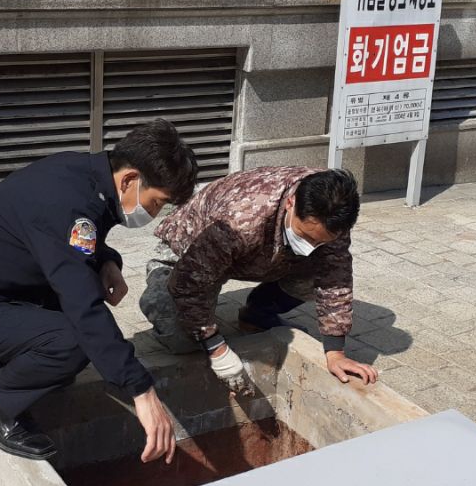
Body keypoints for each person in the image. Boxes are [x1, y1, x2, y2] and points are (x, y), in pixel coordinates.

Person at [0, 120, 198, 463]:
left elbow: (67, 242)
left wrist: (106, 260)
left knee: (79, 328)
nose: (155, 213)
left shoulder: (86, 177)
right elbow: (84, 307)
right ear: (130, 179)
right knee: (74, 342)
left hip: (2, 291)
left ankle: (12, 365)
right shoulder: (67, 202)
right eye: (157, 202)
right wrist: (141, 389)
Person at [139, 166, 379, 391]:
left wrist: (335, 352)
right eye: (305, 236)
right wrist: (216, 347)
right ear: (291, 203)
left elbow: (335, 277)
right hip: (189, 256)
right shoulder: (239, 219)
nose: (310, 246)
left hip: (259, 251)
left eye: (319, 241)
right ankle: (161, 276)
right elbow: (189, 283)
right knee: (182, 340)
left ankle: (258, 314)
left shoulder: (336, 212)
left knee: (319, 269)